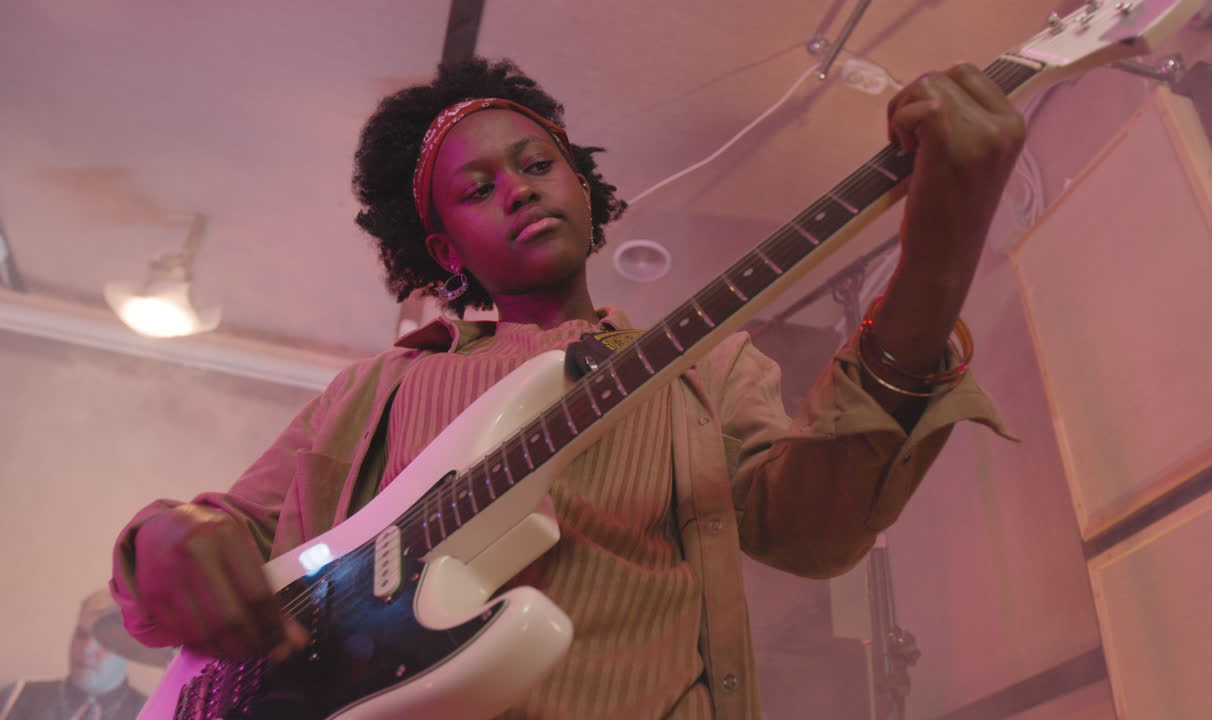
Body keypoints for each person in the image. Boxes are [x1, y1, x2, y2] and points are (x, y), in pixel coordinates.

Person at [110, 56, 1021, 718]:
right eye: (478, 187)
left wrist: (937, 260)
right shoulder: (369, 389)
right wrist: (164, 537)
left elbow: (816, 533)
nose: (517, 189)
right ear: (445, 252)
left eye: (538, 164)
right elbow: (212, 543)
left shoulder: (708, 369)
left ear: (583, 188)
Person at [0, 590, 148, 720]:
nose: (86, 649)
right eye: (81, 635)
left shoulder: (155, 714)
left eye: (103, 641)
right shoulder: (19, 697)